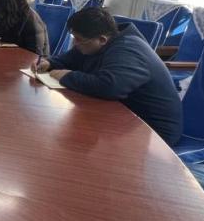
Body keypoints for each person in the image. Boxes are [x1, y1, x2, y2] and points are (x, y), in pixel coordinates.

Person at [32, 8, 182, 145]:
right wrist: (50, 63)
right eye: (74, 37)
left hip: (153, 133)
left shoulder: (128, 49)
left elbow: (109, 86)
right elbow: (71, 58)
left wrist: (68, 76)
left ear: (102, 39)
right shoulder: (97, 41)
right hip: (122, 117)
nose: (75, 43)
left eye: (78, 39)